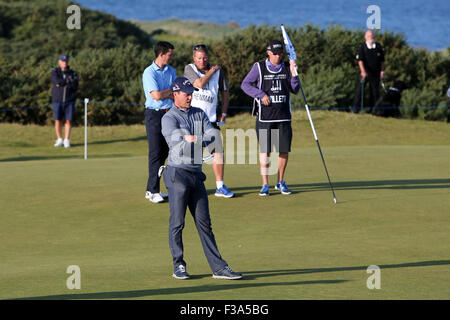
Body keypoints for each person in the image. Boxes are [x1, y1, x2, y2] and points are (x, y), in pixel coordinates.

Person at [161, 77, 242, 280]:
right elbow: (177, 145)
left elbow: (213, 136)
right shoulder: (168, 118)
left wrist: (194, 138)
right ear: (175, 94)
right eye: (186, 93)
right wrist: (196, 139)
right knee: (178, 222)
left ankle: (219, 268)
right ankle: (178, 265)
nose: (190, 97)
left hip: (196, 175)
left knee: (205, 224)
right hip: (177, 174)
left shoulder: (199, 113)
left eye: (191, 93)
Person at [241, 40, 300, 196]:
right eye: (275, 54)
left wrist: (294, 75)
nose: (278, 57)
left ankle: (280, 182)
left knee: (283, 150)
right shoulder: (259, 67)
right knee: (265, 151)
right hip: (265, 117)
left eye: (280, 53)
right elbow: (245, 84)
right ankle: (265, 184)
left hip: (283, 116)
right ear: (268, 53)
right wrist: (260, 95)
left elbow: (295, 90)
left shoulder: (287, 67)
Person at [184, 44, 234, 198]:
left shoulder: (218, 72)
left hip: (211, 120)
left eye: (205, 57)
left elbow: (225, 92)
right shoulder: (189, 68)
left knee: (218, 152)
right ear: (194, 58)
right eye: (199, 58)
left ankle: (220, 186)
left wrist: (224, 113)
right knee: (192, 155)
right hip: (193, 119)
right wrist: (213, 70)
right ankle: (189, 186)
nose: (202, 60)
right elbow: (199, 84)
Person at [142, 41, 176, 203]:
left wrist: (167, 93)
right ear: (161, 54)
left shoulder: (171, 71)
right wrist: (168, 93)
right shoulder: (149, 72)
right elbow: (156, 95)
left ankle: (152, 189)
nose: (172, 57)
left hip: (170, 114)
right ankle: (153, 190)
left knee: (165, 153)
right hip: (154, 115)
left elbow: (176, 93)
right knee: (155, 153)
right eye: (170, 54)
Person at [352, 29, 385, 113]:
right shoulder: (362, 47)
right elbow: (360, 61)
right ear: (365, 37)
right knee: (360, 91)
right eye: (368, 36)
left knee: (374, 93)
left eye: (371, 36)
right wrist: (363, 71)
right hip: (365, 73)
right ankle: (355, 109)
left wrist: (382, 71)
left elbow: (382, 61)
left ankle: (373, 110)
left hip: (376, 73)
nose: (370, 37)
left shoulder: (378, 46)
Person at [51, 54, 78, 148]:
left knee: (68, 120)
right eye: (62, 61)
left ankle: (67, 139)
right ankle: (59, 139)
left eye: (66, 61)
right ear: (59, 62)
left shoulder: (73, 73)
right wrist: (67, 81)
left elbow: (75, 85)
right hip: (57, 99)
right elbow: (57, 82)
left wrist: (65, 82)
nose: (64, 63)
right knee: (57, 119)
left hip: (69, 100)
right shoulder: (55, 71)